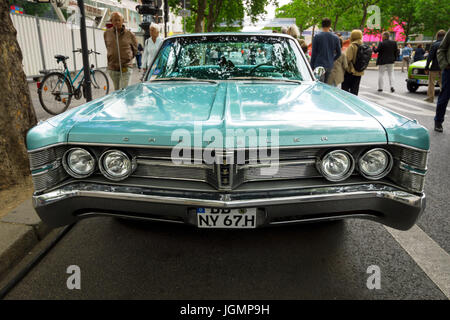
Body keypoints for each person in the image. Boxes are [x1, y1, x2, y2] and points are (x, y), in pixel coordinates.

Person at [104, 12, 138, 91]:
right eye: (115, 20)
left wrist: (127, 58)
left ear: (123, 21)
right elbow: (108, 47)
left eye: (119, 20)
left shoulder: (130, 34)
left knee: (123, 90)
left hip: (125, 67)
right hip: (113, 67)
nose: (117, 22)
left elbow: (135, 50)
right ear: (111, 21)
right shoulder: (106, 33)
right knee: (116, 91)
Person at [310, 18, 341, 83]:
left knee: (318, 85)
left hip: (318, 64)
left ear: (322, 25)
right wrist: (332, 59)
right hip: (329, 64)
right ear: (330, 25)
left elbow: (314, 53)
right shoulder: (335, 38)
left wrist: (311, 66)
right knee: (326, 85)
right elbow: (339, 53)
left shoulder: (317, 37)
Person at [434, 28, 450, 132]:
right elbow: (441, 49)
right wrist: (445, 65)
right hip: (449, 70)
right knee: (444, 97)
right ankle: (438, 121)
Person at [424, 30, 446, 103]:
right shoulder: (447, 44)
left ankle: (430, 98)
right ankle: (444, 98)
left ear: (437, 36)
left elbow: (430, 57)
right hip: (444, 67)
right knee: (442, 83)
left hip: (435, 67)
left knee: (431, 83)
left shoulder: (434, 44)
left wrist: (427, 67)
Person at [340, 29, 365, 95]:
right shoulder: (363, 46)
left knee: (345, 91)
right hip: (359, 72)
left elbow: (347, 59)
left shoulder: (352, 46)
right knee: (355, 91)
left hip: (350, 71)